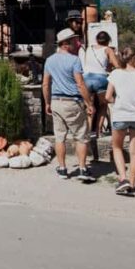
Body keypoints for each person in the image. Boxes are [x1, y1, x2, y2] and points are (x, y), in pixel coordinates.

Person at [43, 28, 96, 182]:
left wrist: (47, 102)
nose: (76, 43)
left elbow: (45, 84)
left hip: (56, 101)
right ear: (66, 43)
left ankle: (62, 168)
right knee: (81, 137)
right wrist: (89, 103)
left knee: (60, 137)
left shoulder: (50, 60)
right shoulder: (74, 60)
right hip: (72, 102)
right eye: (73, 40)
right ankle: (82, 168)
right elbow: (80, 83)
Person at [105, 47, 135, 196]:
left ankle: (123, 178)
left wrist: (118, 102)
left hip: (120, 115)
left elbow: (107, 96)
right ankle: (132, 184)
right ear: (134, 59)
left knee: (117, 147)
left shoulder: (115, 74)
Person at [79, 30, 121, 137]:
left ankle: (88, 131)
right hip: (101, 79)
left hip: (87, 78)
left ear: (97, 40)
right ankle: (98, 131)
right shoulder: (108, 50)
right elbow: (117, 65)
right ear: (108, 41)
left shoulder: (89, 49)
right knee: (103, 105)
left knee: (90, 106)